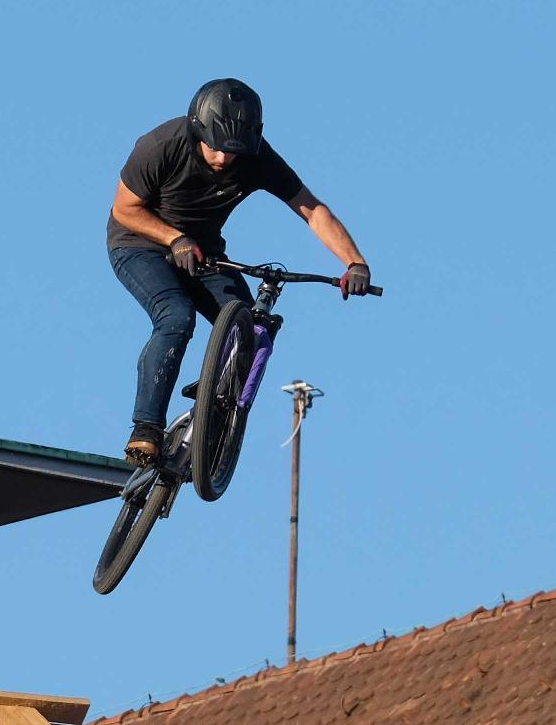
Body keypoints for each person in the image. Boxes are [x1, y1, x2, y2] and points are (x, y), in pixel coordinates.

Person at [107, 78, 371, 466]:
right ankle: (146, 429)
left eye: (233, 152)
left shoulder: (258, 157)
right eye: (215, 148)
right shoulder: (160, 146)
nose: (223, 160)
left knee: (253, 327)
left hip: (205, 254)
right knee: (176, 318)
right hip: (140, 245)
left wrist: (354, 261)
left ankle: (215, 399)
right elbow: (125, 211)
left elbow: (312, 210)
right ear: (198, 129)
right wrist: (175, 238)